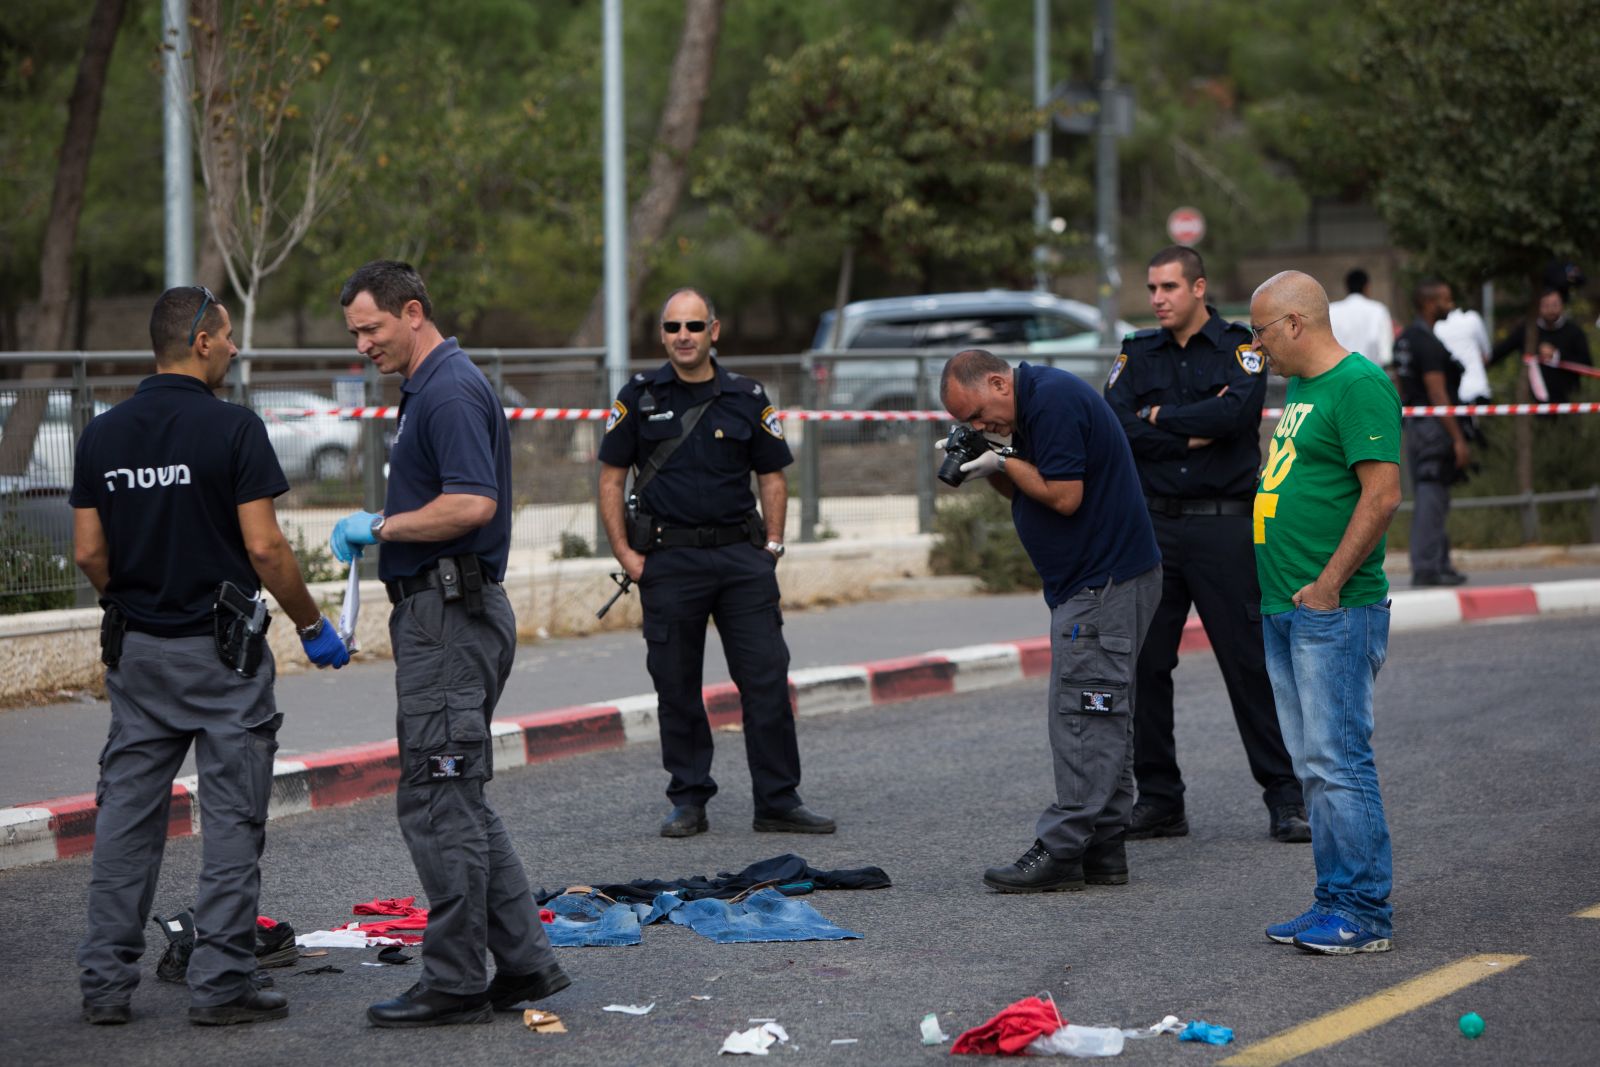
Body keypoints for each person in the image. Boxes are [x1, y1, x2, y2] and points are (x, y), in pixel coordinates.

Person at [71, 286, 351, 1027]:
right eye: (227, 336)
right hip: (223, 656)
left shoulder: (101, 435)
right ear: (200, 341)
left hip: (138, 653)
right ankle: (221, 984)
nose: (234, 348)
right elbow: (265, 547)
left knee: (126, 819)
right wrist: (311, 623)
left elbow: (89, 552)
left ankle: (104, 985)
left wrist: (132, 601)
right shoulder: (234, 428)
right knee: (231, 820)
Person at [328, 261, 568, 1027]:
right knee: (455, 793)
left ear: (412, 311)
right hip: (442, 612)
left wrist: (381, 526)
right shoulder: (428, 387)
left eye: (370, 328)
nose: (362, 344)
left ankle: (456, 980)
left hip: (449, 615)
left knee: (439, 798)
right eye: (354, 333)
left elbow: (471, 503)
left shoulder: (450, 389)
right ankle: (525, 963)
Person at [597, 287, 834, 839]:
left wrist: (772, 547)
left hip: (741, 561)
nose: (684, 336)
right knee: (676, 688)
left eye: (694, 326)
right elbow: (610, 479)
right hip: (668, 561)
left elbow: (772, 476)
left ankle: (777, 801)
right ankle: (688, 799)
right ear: (662, 335)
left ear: (714, 331)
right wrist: (627, 556)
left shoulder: (747, 396)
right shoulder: (638, 396)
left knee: (766, 682)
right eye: (673, 327)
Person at [1104, 247, 1309, 844]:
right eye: (1152, 288)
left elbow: (1235, 417)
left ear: (1198, 287)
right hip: (1153, 527)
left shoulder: (1239, 346)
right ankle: (1160, 800)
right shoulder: (1137, 350)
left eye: (1168, 287)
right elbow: (1118, 423)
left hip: (1224, 526)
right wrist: (1190, 430)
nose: (1157, 299)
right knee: (1147, 665)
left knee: (1249, 664)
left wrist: (1157, 417)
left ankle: (1285, 796)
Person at [939, 349, 1162, 893]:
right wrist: (989, 460)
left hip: (1101, 585)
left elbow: (1063, 496)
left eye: (977, 414)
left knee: (1083, 714)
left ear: (999, 382)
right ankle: (1105, 845)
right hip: (1098, 582)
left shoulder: (1053, 402)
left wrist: (1002, 459)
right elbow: (1027, 486)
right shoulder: (1030, 407)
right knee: (1104, 712)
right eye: (967, 423)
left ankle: (1063, 847)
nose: (978, 426)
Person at [1248, 270, 1402, 954]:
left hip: (1332, 611)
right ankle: (1333, 898)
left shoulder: (1357, 384)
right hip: (1287, 606)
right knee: (1313, 764)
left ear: (1294, 323)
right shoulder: (1304, 388)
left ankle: (1364, 912)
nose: (1256, 346)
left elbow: (1383, 494)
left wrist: (1330, 583)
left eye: (1260, 331)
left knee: (1339, 760)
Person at [1393, 280, 1471, 587]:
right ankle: (1428, 567)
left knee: (1433, 493)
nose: (1450, 305)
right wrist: (1458, 438)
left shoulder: (1405, 339)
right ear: (1429, 303)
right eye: (1445, 299)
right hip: (1433, 426)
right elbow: (1438, 394)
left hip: (1416, 424)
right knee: (1432, 493)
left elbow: (1400, 384)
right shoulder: (1426, 342)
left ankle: (1439, 562)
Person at [1488, 286, 1594, 405]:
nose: (1551, 310)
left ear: (1562, 305)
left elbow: (1586, 364)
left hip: (1567, 401)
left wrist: (1557, 355)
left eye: (1555, 304)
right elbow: (1502, 350)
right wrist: (1483, 361)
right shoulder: (1527, 330)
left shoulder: (1574, 332)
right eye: (1546, 305)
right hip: (1534, 402)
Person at [1327, 268, 1395, 368]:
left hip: (1338, 372)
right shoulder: (1378, 310)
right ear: (1367, 287)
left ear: (1346, 286)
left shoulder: (1332, 309)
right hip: (1369, 373)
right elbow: (1386, 355)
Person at [1434, 303, 1493, 404]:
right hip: (1477, 389)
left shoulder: (1435, 327)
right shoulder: (1472, 319)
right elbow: (1487, 355)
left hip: (1452, 393)